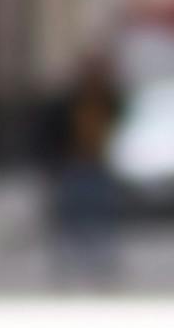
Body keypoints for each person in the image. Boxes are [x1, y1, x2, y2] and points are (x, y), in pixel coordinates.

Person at [42, 46, 126, 288]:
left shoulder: (107, 98)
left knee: (101, 213)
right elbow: (50, 133)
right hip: (73, 165)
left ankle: (100, 262)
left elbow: (120, 115)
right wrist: (52, 164)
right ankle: (71, 261)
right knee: (72, 216)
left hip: (98, 163)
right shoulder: (67, 102)